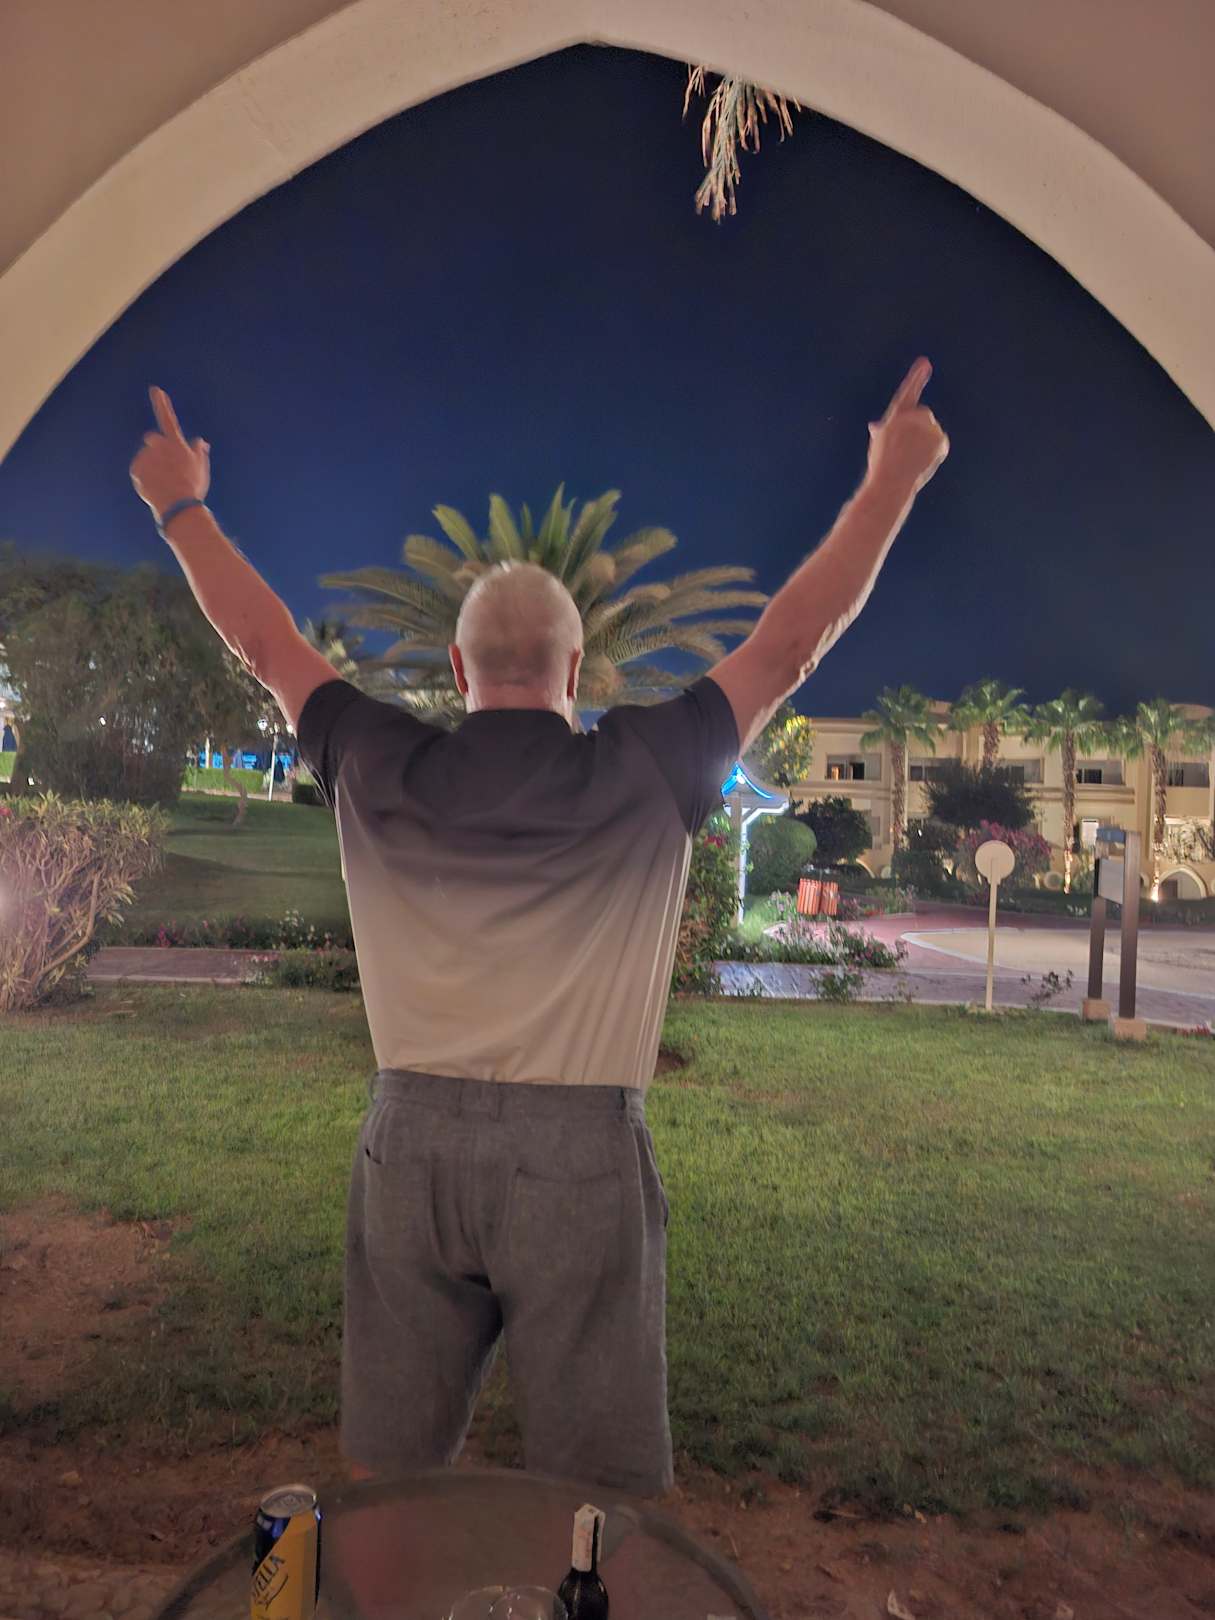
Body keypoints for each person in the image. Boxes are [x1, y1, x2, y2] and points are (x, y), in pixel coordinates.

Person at [130, 361, 947, 1498]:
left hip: (407, 1152)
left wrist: (180, 503)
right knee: (599, 1507)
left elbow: (265, 643)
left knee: (388, 1483)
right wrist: (893, 479)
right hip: (581, 1160)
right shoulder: (649, 765)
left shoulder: (374, 756)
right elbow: (789, 644)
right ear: (575, 669)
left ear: (456, 667)